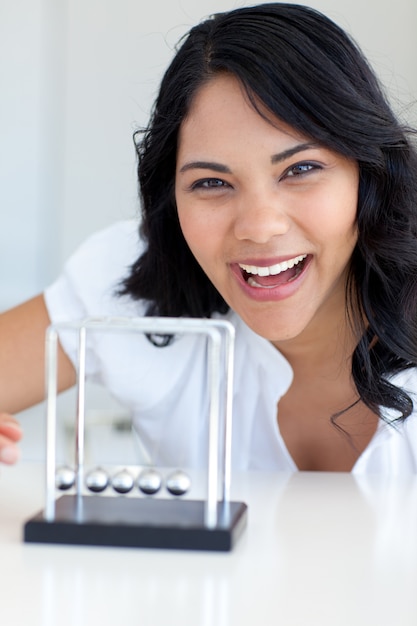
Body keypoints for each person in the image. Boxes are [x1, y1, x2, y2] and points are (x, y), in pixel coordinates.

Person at [1, 3, 417, 473]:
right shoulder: (133, 282)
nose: (259, 226)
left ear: (370, 175)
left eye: (301, 170)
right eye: (212, 183)